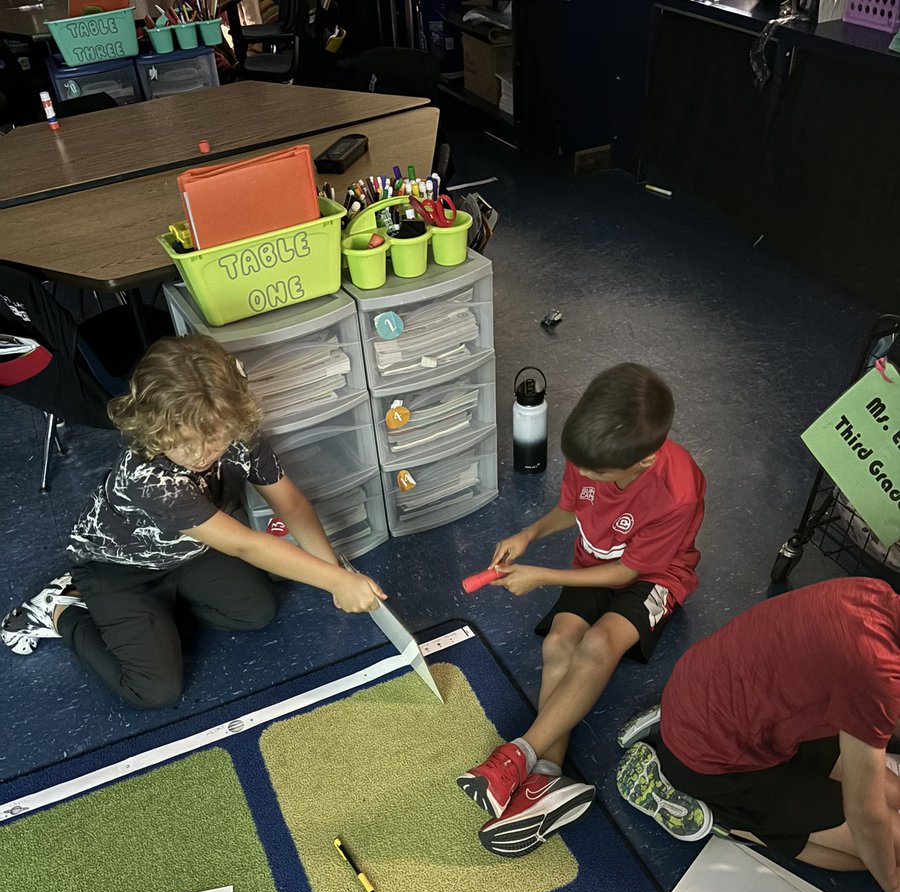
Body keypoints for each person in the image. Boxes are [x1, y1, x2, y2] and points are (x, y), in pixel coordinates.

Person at [1, 335, 385, 708]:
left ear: (232, 418)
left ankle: (153, 618)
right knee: (155, 691)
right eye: (181, 441)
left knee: (257, 611)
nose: (200, 455)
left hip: (192, 551)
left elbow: (293, 505)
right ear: (151, 426)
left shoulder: (239, 433)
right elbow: (244, 545)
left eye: (214, 439)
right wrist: (337, 580)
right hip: (118, 568)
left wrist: (333, 572)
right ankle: (62, 608)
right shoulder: (149, 477)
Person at [457, 362, 706, 856]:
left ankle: (519, 753)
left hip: (655, 577)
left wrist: (543, 576)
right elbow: (571, 508)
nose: (585, 475)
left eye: (598, 474)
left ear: (644, 461)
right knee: (557, 642)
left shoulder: (678, 491)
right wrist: (529, 534)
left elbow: (626, 576)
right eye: (583, 467)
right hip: (595, 561)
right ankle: (547, 778)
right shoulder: (592, 448)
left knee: (599, 644)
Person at [616, 577, 900, 892]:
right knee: (885, 852)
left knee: (892, 800)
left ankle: (676, 724)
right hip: (713, 760)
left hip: (721, 697)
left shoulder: (875, 593)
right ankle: (718, 813)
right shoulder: (874, 673)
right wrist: (891, 882)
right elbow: (865, 813)